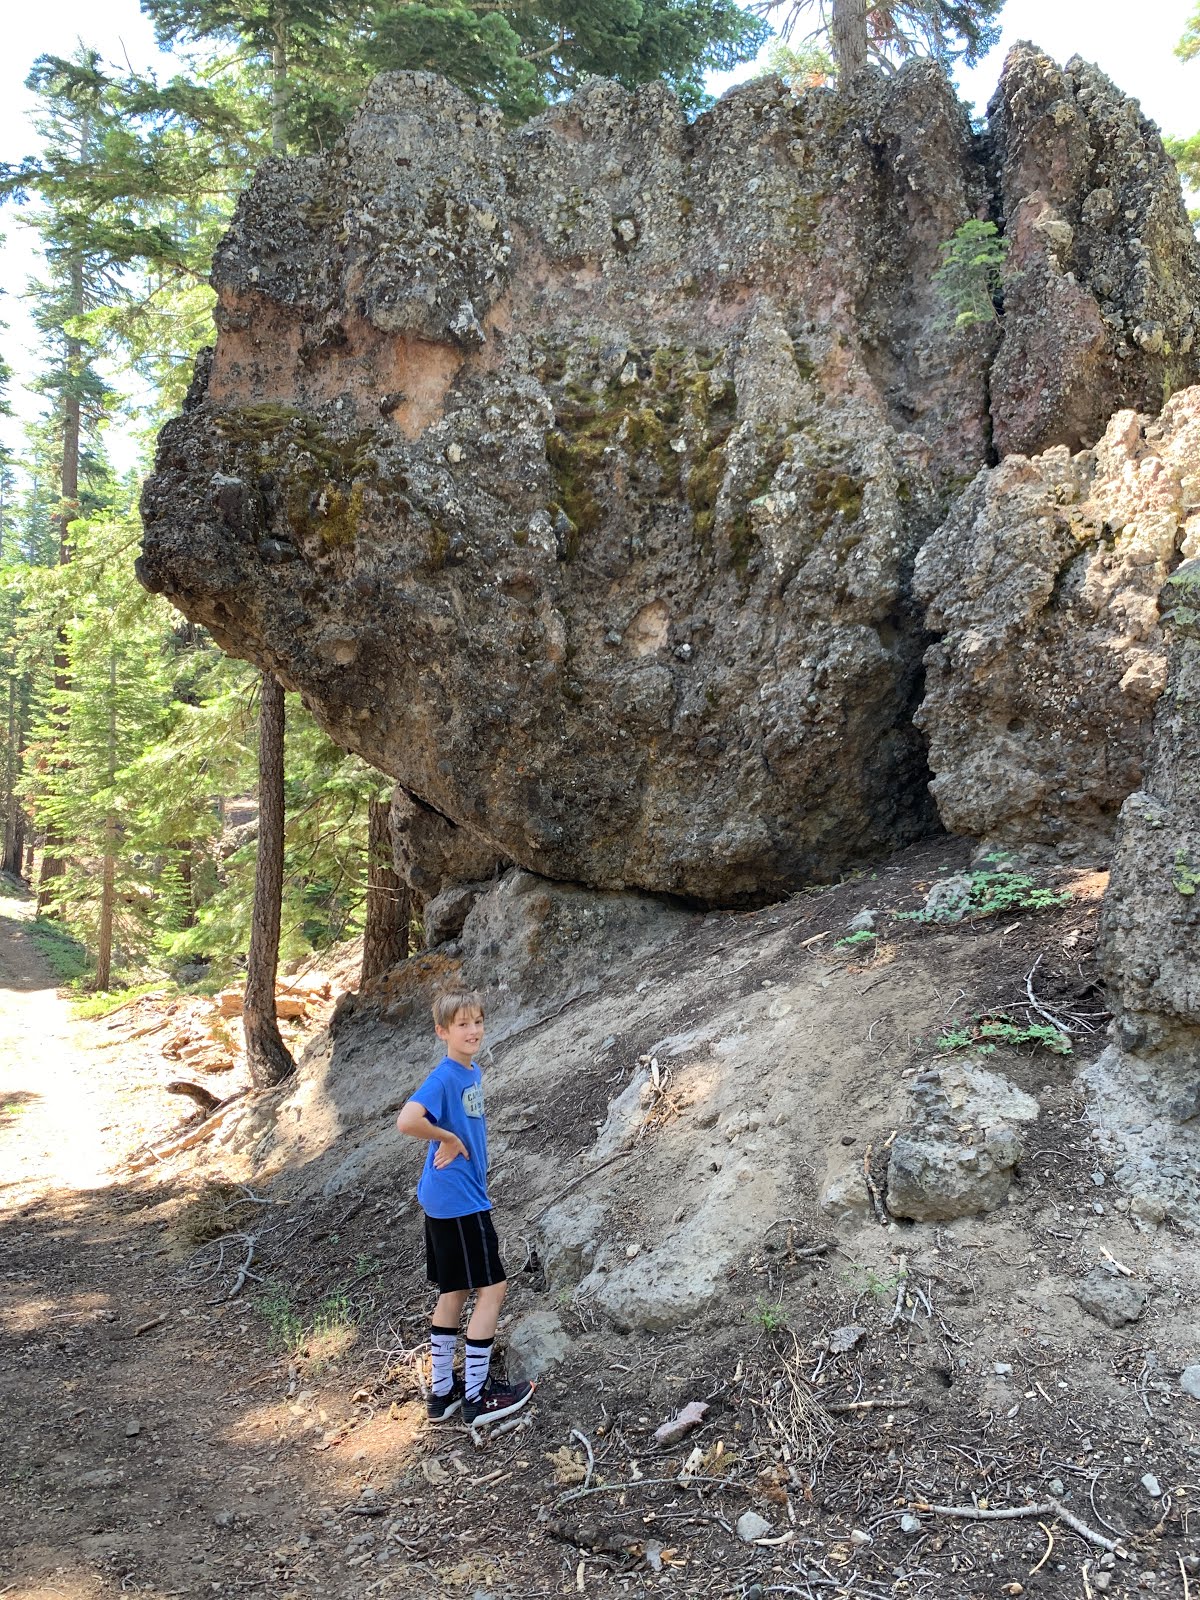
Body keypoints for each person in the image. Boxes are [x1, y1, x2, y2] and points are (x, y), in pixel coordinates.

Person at [395, 988, 534, 1427]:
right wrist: (448, 1138)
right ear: (442, 1032)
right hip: (459, 1200)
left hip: (447, 1195)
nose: (473, 1031)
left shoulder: (470, 1071)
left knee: (453, 1289)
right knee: (493, 1288)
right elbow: (407, 1120)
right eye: (462, 1025)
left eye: (477, 1021)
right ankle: (476, 1396)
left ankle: (442, 1393)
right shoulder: (445, 1077)